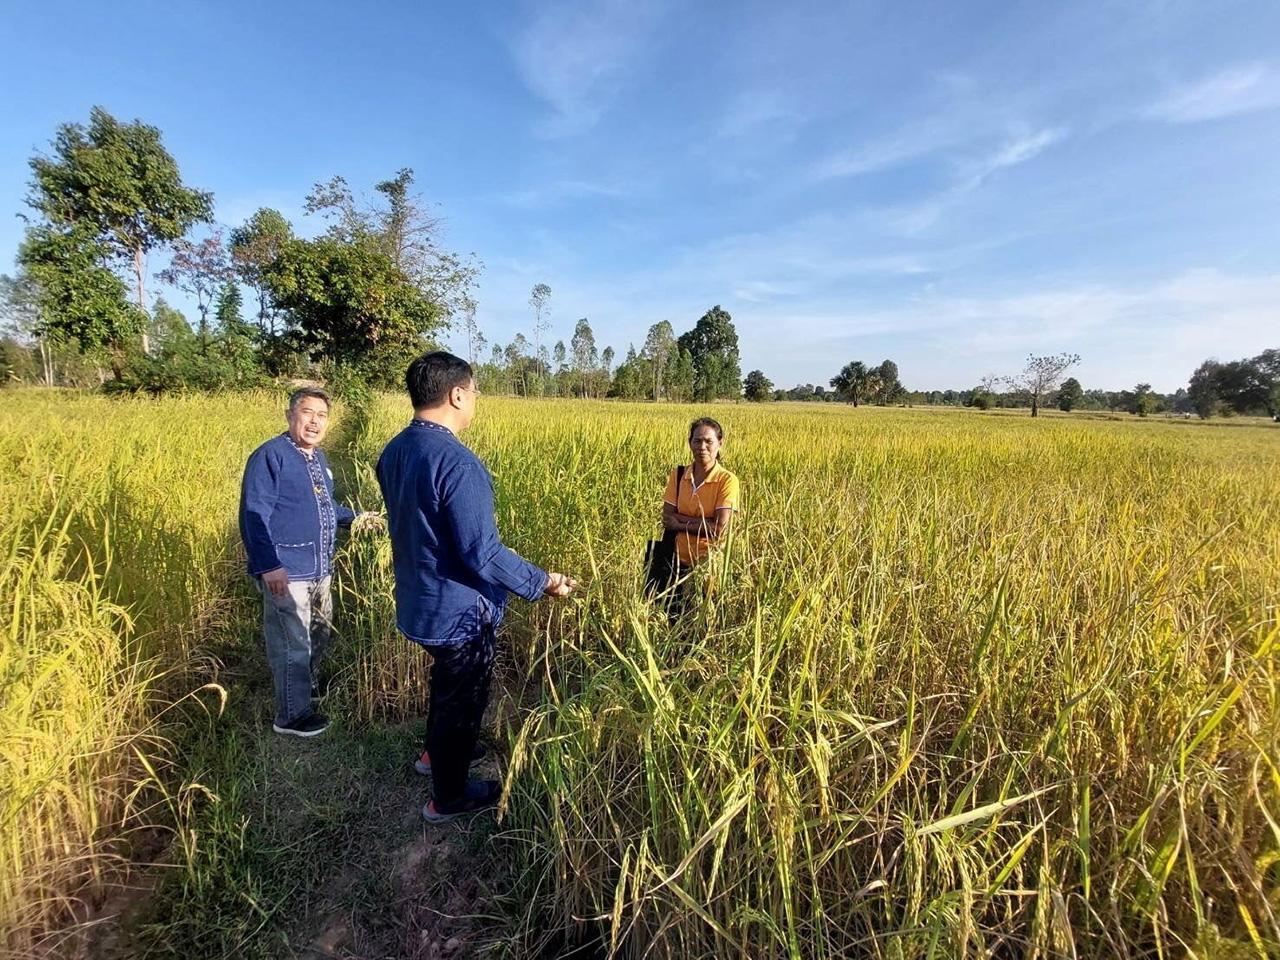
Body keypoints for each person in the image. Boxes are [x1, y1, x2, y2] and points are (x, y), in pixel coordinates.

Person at [376, 351, 577, 823]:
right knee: (461, 699)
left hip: (417, 602)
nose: (476, 401)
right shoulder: (458, 464)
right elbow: (482, 554)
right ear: (457, 393)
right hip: (457, 611)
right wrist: (542, 581)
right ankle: (448, 797)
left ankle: (434, 756)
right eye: (475, 392)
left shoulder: (394, 451)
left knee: (446, 686)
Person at [239, 387, 381, 737]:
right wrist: (268, 565)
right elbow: (253, 515)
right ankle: (291, 715)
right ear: (290, 415)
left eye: (321, 415)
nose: (315, 421)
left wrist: (357, 517)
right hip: (287, 570)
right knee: (293, 643)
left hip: (320, 566)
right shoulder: (271, 456)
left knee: (319, 632)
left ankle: (306, 688)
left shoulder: (318, 459)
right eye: (307, 412)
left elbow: (326, 507)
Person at [660, 417, 740, 605]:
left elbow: (719, 529)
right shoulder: (679, 475)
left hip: (708, 565)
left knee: (703, 622)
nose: (702, 446)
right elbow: (667, 518)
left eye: (709, 441)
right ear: (690, 443)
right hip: (675, 562)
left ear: (720, 443)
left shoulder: (727, 481)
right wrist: (705, 522)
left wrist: (679, 523)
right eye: (697, 441)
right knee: (671, 617)